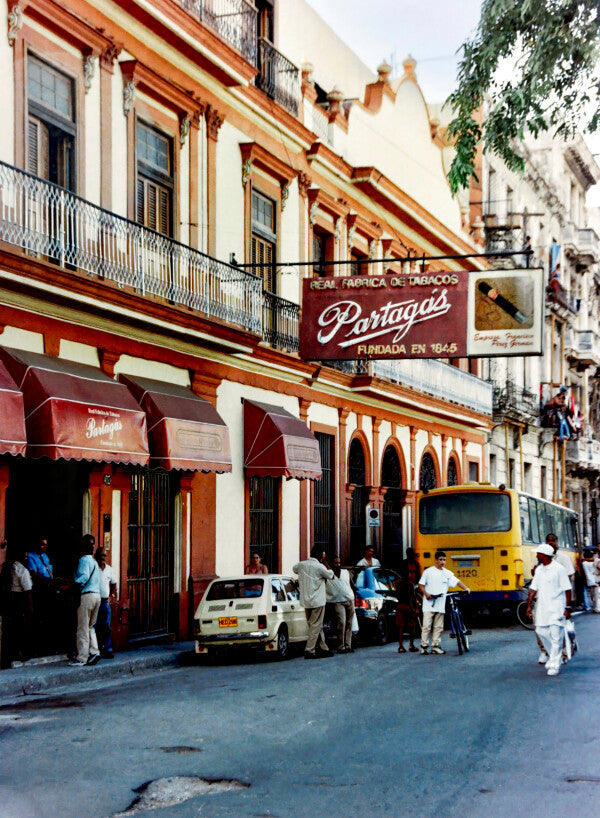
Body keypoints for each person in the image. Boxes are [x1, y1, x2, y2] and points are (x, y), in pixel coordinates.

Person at [526, 543, 572, 677]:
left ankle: (554, 664)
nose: (536, 556)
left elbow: (567, 589)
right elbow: (533, 589)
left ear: (544, 555)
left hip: (557, 607)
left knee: (556, 636)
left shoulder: (559, 569)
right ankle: (554, 656)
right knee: (541, 631)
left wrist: (567, 607)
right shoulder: (539, 570)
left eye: (538, 554)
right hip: (542, 607)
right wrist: (529, 606)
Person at [418, 550, 470, 655]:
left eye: (444, 560)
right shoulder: (428, 572)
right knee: (427, 626)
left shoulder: (447, 573)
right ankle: (424, 647)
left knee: (438, 626)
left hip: (440, 604)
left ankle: (436, 646)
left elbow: (457, 581)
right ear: (436, 560)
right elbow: (421, 585)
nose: (442, 562)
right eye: (440, 559)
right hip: (429, 603)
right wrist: (427, 594)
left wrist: (466, 588)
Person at [293, 545, 334, 659]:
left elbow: (294, 569)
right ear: (320, 555)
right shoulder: (320, 567)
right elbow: (331, 575)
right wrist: (325, 562)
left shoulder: (302, 565)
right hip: (318, 601)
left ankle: (323, 647)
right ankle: (309, 650)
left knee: (314, 625)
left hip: (306, 600)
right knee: (315, 626)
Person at [70, 535, 101, 668]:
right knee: (90, 627)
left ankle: (82, 657)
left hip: (87, 596)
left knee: (82, 628)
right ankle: (94, 651)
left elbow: (84, 577)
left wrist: (72, 584)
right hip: (97, 596)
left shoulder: (83, 560)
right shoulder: (94, 562)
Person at [1, 543, 34, 666]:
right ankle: (22, 654)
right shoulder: (22, 570)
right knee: (22, 628)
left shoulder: (8, 567)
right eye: (25, 556)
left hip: (10, 599)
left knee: (10, 629)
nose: (26, 558)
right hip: (20, 600)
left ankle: (10, 655)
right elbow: (27, 591)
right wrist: (30, 607)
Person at [326, 556, 355, 653]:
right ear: (332, 564)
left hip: (350, 599)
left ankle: (348, 645)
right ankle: (340, 646)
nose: (337, 564)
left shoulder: (345, 572)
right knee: (341, 622)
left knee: (349, 623)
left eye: (339, 562)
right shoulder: (328, 574)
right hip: (338, 601)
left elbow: (351, 583)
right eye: (335, 563)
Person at [94, 546, 117, 658]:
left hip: (104, 602)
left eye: (104, 556)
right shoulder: (93, 568)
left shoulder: (109, 569)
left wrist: (111, 596)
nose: (102, 558)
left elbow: (114, 583)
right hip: (94, 600)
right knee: (93, 626)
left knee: (106, 627)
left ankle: (107, 649)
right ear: (96, 556)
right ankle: (94, 650)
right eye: (101, 555)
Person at [395, 574, 419, 653]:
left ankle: (401, 646)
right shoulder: (410, 585)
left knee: (400, 628)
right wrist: (415, 609)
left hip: (399, 607)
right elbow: (412, 598)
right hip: (408, 608)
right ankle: (411, 645)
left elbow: (397, 596)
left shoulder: (398, 584)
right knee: (412, 627)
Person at [581, 549, 600, 613]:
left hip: (590, 581)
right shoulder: (596, 561)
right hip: (597, 579)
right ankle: (597, 608)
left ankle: (596, 607)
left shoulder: (584, 563)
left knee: (593, 595)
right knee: (597, 595)